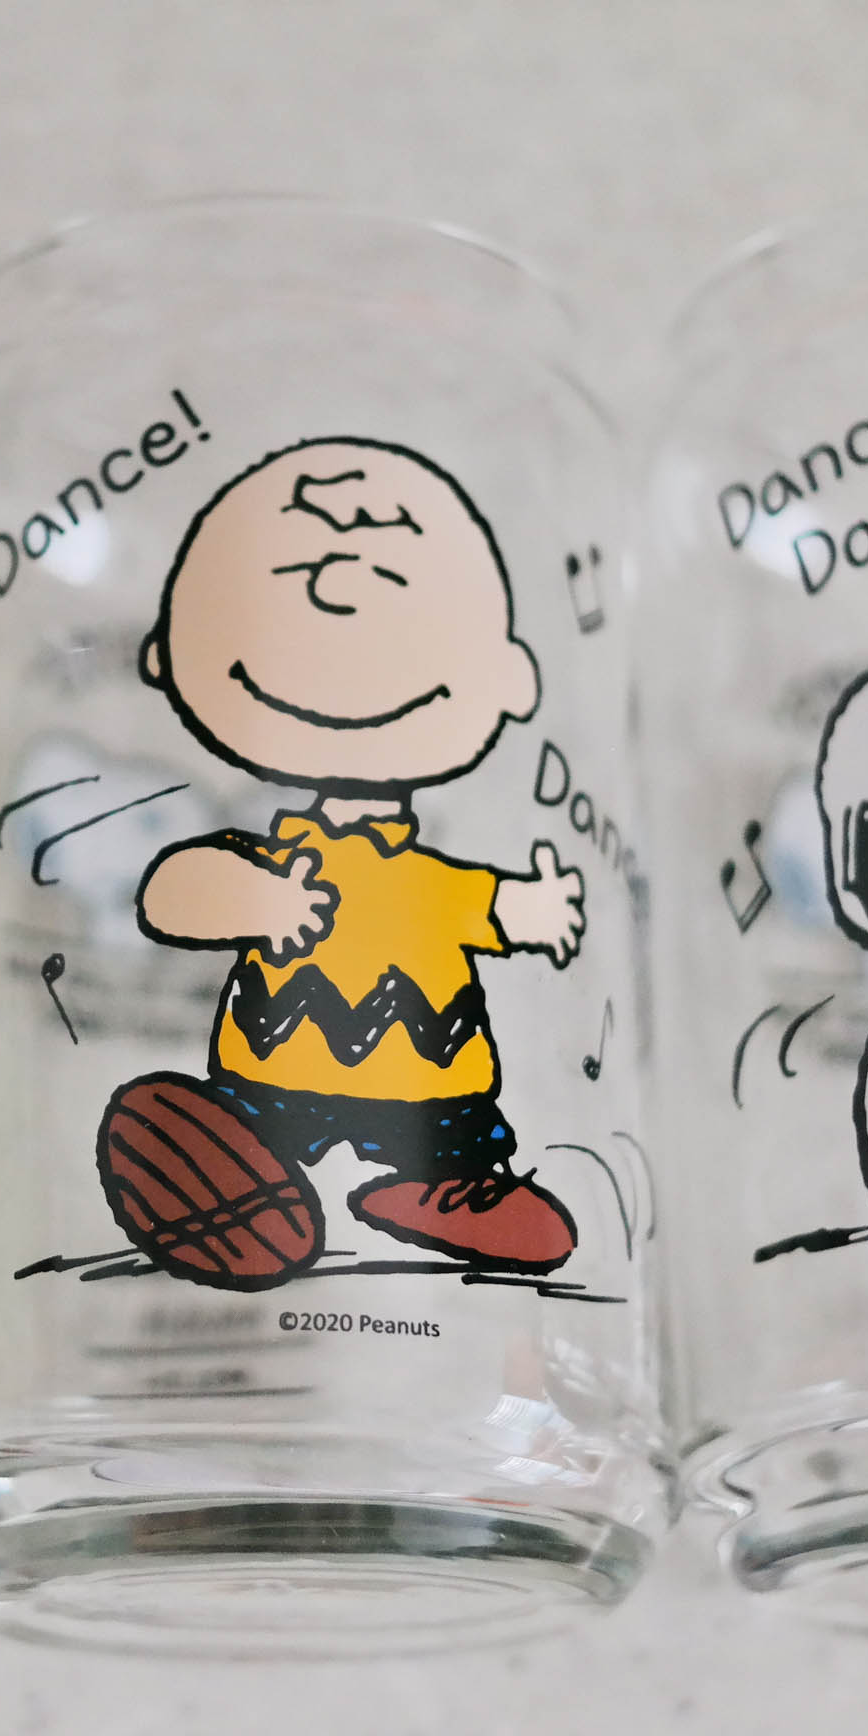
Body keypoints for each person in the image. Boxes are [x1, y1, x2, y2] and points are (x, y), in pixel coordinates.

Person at [99, 437, 586, 1287]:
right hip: (276, 1065)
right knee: (252, 1119)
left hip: (427, 1080)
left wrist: (534, 911)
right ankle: (234, 1182)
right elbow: (171, 895)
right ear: (165, 659)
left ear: (513, 680)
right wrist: (254, 898)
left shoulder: (431, 879)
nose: (341, 594)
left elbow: (483, 906)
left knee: (457, 1130)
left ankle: (447, 1188)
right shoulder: (276, 859)